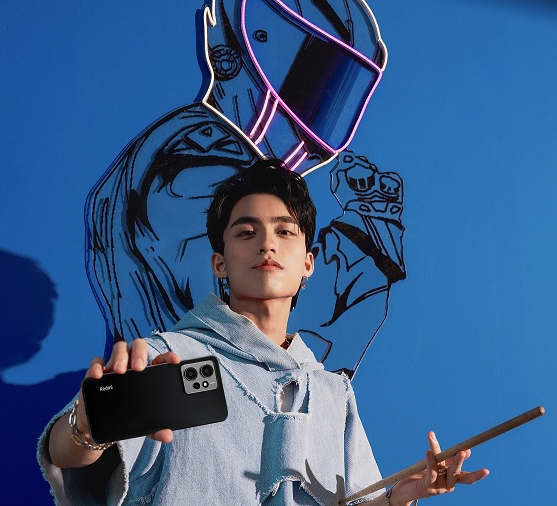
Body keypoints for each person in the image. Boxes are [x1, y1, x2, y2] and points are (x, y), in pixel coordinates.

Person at [38, 159, 488, 505]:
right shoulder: (168, 356)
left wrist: (399, 497)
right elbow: (65, 454)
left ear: (308, 263)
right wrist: (88, 426)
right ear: (219, 263)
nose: (266, 244)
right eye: (246, 232)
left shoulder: (332, 392)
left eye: (285, 232)